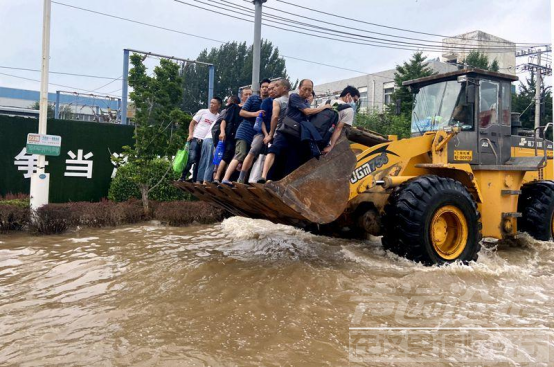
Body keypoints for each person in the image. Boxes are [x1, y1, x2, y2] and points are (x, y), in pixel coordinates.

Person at [258, 79, 331, 183]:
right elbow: (307, 112)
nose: (307, 92)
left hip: (296, 136)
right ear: (299, 88)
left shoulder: (306, 103)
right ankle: (263, 176)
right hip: (285, 131)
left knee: (289, 160)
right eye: (305, 89)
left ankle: (277, 182)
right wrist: (325, 107)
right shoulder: (294, 97)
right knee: (274, 150)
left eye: (309, 90)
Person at [221, 78, 271, 185]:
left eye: (267, 87)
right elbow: (242, 112)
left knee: (250, 156)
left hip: (257, 134)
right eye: (263, 87)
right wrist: (255, 114)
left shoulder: (271, 102)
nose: (265, 89)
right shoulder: (253, 99)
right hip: (245, 130)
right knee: (240, 154)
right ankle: (225, 178)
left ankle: (242, 181)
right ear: (260, 89)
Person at [237, 81, 278, 183]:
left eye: (272, 88)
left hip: (276, 134)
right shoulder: (265, 102)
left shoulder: (280, 101)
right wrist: (267, 134)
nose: (269, 90)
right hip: (262, 133)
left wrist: (272, 135)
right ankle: (241, 179)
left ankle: (263, 179)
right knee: (253, 151)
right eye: (267, 88)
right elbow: (261, 120)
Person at [179, 97, 221, 182]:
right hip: (196, 138)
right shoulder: (203, 112)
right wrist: (190, 134)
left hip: (206, 140)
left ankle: (194, 178)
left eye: (214, 103)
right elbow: (192, 123)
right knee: (192, 157)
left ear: (219, 105)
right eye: (211, 103)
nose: (211, 105)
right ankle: (183, 176)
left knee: (200, 160)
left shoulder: (218, 117)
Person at [322, 86, 360, 155]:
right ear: (348, 95)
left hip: (311, 137)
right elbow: (338, 129)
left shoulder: (326, 102)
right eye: (354, 100)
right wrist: (331, 146)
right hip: (324, 142)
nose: (354, 103)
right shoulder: (349, 110)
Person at [213, 95, 241, 183]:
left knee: (225, 156)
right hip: (230, 135)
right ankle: (217, 177)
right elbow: (223, 121)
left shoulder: (237, 108)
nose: (227, 104)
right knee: (226, 156)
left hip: (233, 136)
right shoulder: (232, 108)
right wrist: (222, 132)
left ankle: (219, 177)